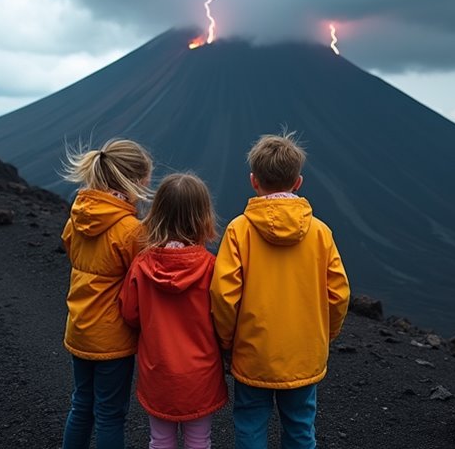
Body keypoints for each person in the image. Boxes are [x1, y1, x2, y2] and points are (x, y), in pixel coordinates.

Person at [210, 132, 351, 449]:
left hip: (253, 352)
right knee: (301, 429)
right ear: (298, 182)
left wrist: (226, 341)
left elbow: (223, 295)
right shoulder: (320, 232)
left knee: (250, 425)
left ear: (253, 180)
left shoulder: (239, 230)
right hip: (304, 352)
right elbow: (339, 294)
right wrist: (325, 334)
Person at [119, 172, 228, 449]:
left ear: (157, 214)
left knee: (160, 441)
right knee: (199, 441)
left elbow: (130, 314)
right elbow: (224, 318)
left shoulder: (142, 266)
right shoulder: (211, 267)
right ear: (203, 217)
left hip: (158, 373)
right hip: (200, 375)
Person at [60, 138, 154, 449]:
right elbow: (142, 277)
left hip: (79, 329)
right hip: (113, 339)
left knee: (81, 404)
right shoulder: (130, 230)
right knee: (110, 414)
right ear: (135, 181)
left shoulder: (78, 216)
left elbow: (70, 249)